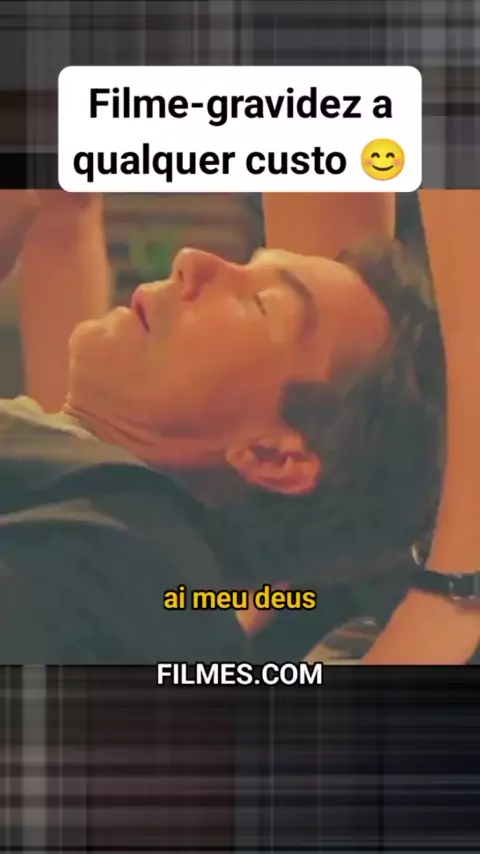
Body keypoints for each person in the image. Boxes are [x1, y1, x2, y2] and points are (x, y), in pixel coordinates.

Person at [0, 191, 444, 663]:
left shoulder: (115, 576)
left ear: (272, 456)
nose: (192, 260)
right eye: (247, 264)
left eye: (260, 303)